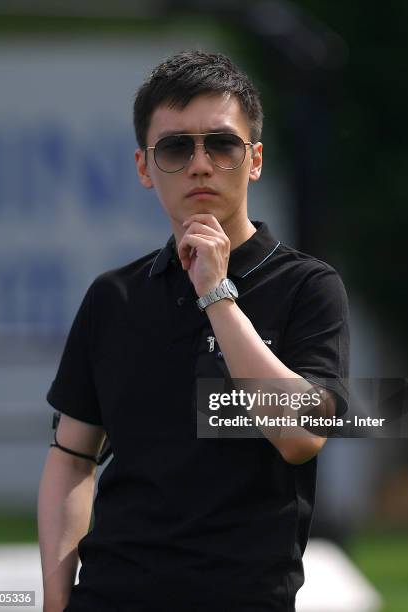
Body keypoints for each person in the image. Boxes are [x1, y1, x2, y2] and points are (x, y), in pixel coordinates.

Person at [38, 50, 350, 612]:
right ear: (143, 167)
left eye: (222, 144)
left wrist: (216, 293)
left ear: (253, 160)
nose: (201, 164)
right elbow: (71, 457)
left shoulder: (308, 286)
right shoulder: (114, 297)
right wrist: (56, 602)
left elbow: (302, 436)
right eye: (177, 148)